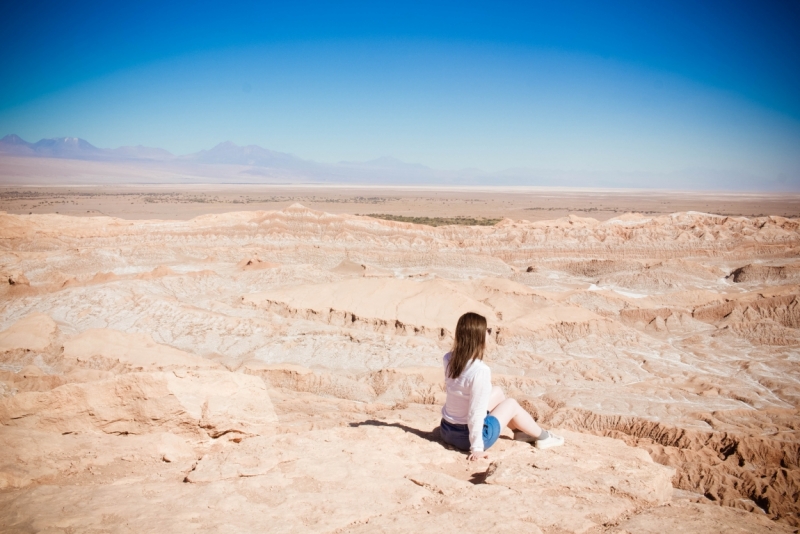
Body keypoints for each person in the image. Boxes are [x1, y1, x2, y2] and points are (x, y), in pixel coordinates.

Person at [440, 312, 564, 461]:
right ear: (478, 336)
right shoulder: (480, 371)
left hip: (447, 430)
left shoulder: (449, 358)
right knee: (511, 404)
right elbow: (475, 412)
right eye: (488, 330)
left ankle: (520, 432)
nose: (489, 334)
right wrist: (477, 448)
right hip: (466, 438)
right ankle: (544, 437)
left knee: (497, 392)